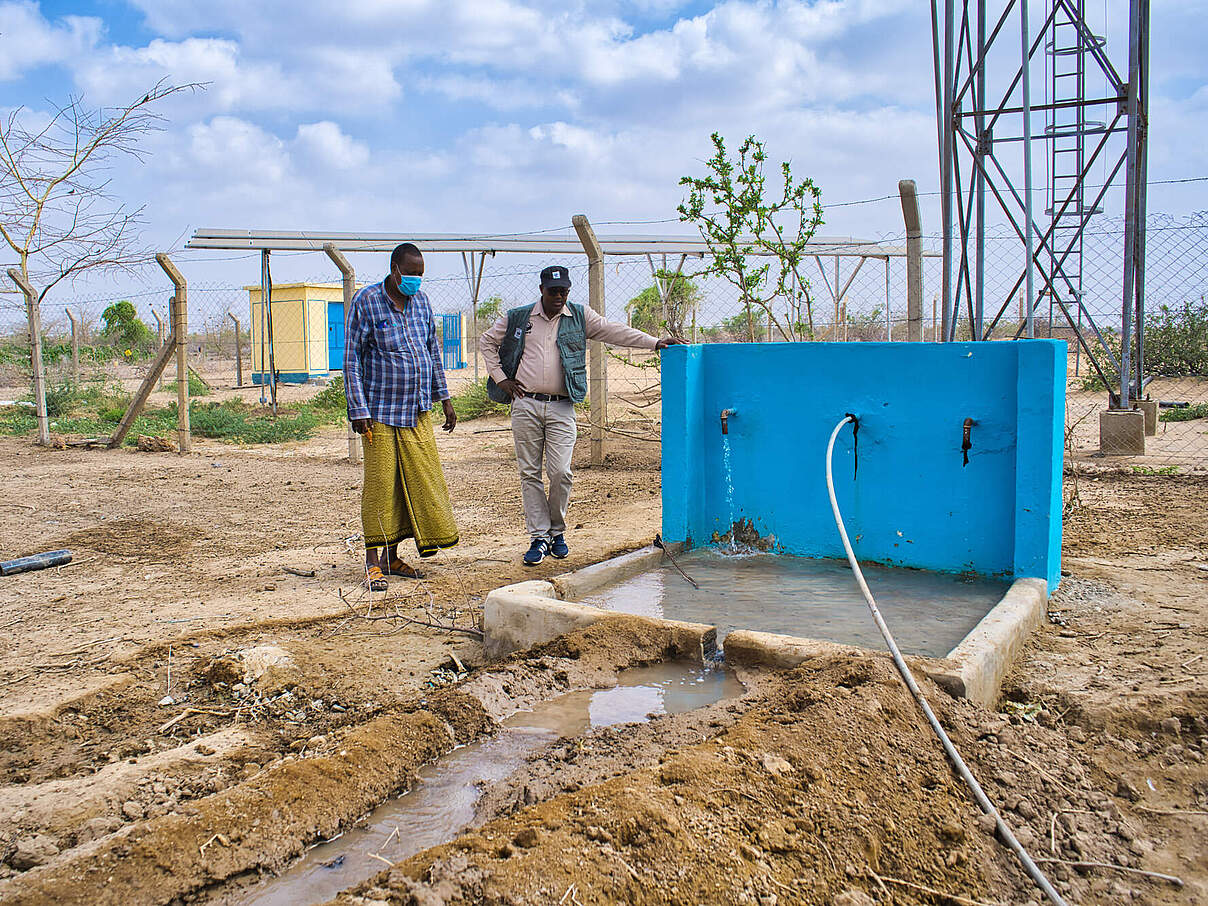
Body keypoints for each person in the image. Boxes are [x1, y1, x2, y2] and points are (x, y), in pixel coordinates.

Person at [480, 264, 686, 565]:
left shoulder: (579, 316)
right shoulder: (519, 317)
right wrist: (500, 378)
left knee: (561, 472)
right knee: (529, 472)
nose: (559, 296)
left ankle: (557, 532)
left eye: (563, 291)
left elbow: (615, 331)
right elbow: (486, 341)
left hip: (562, 405)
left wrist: (654, 342)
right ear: (541, 291)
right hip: (526, 404)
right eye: (553, 291)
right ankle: (539, 538)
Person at [344, 242, 459, 590]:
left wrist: (445, 398)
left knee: (415, 482)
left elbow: (432, 353)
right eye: (410, 273)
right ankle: (372, 562)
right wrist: (358, 409)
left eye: (420, 275)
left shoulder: (422, 303)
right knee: (381, 487)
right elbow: (351, 359)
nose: (415, 280)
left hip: (418, 408)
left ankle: (393, 557)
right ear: (394, 270)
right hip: (379, 411)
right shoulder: (366, 302)